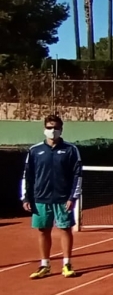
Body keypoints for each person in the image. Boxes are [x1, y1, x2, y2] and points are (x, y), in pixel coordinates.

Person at [20, 114, 82, 279]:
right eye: (49, 127)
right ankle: (44, 265)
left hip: (63, 199)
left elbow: (77, 175)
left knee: (65, 229)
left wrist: (72, 197)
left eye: (55, 128)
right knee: (43, 231)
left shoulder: (71, 150)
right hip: (40, 198)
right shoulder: (35, 150)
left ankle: (67, 264)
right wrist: (25, 198)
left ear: (61, 130)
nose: (52, 131)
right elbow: (28, 175)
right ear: (44, 129)